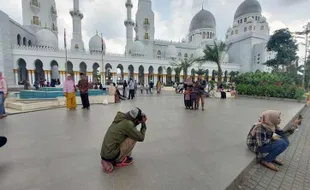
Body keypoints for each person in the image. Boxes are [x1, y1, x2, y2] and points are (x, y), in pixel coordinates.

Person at [100, 107, 147, 173]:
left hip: (105, 152)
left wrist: (137, 121)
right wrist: (143, 123)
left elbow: (130, 127)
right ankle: (120, 160)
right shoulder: (128, 124)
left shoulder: (121, 117)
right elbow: (141, 137)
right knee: (133, 137)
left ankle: (107, 160)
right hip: (111, 154)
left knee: (129, 134)